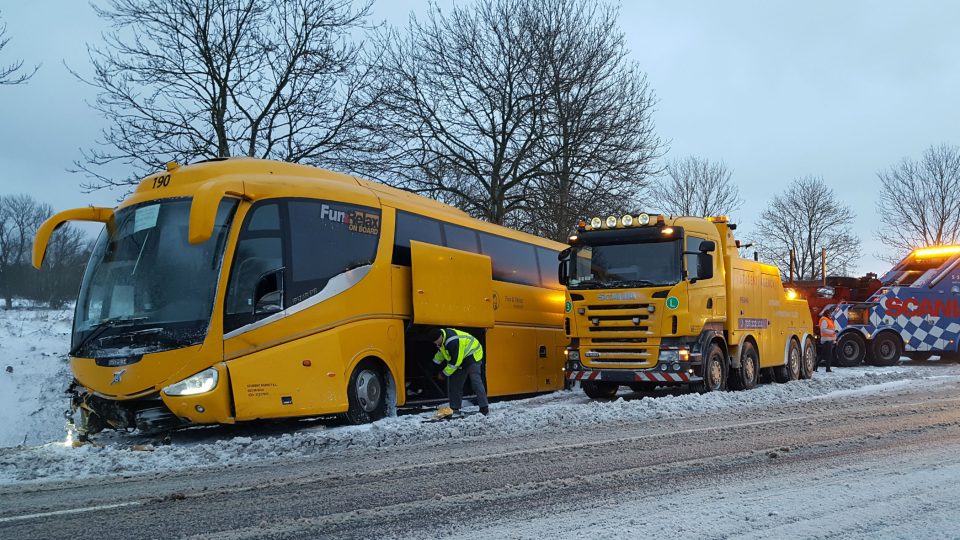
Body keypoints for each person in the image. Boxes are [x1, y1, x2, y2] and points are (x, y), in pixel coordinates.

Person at [428, 327, 489, 418]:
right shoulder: (441, 340)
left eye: (436, 341)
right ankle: (454, 408)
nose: (436, 344)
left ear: (441, 336)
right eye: (434, 342)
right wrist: (432, 365)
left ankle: (484, 408)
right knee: (455, 382)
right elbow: (441, 354)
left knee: (475, 381)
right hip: (462, 357)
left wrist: (443, 374)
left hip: (473, 354)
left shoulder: (453, 341)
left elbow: (455, 362)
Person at [817, 305, 836, 373]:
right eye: (830, 313)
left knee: (823, 354)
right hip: (826, 339)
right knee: (828, 355)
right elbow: (823, 329)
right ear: (827, 314)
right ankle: (827, 369)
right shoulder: (824, 320)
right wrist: (832, 332)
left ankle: (815, 366)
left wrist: (834, 335)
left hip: (829, 339)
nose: (831, 314)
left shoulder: (828, 319)